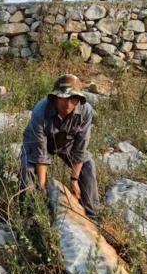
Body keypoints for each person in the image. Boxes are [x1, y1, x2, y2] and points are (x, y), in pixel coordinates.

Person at [19, 74, 99, 219]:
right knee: (27, 167)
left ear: (79, 99)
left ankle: (92, 216)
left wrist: (74, 180)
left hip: (67, 143)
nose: (68, 104)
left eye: (73, 99)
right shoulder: (40, 110)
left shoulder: (86, 111)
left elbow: (80, 148)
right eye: (64, 98)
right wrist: (42, 187)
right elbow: (40, 152)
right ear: (55, 98)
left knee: (88, 165)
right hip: (38, 142)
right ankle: (29, 214)